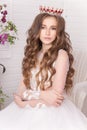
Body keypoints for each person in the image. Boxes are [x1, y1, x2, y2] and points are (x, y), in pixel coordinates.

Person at [0, 6, 87, 130]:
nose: (47, 33)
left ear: (59, 32)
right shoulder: (33, 53)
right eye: (43, 27)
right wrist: (42, 94)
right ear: (37, 30)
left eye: (53, 28)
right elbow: (21, 89)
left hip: (51, 111)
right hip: (32, 105)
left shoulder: (61, 55)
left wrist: (25, 102)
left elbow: (54, 98)